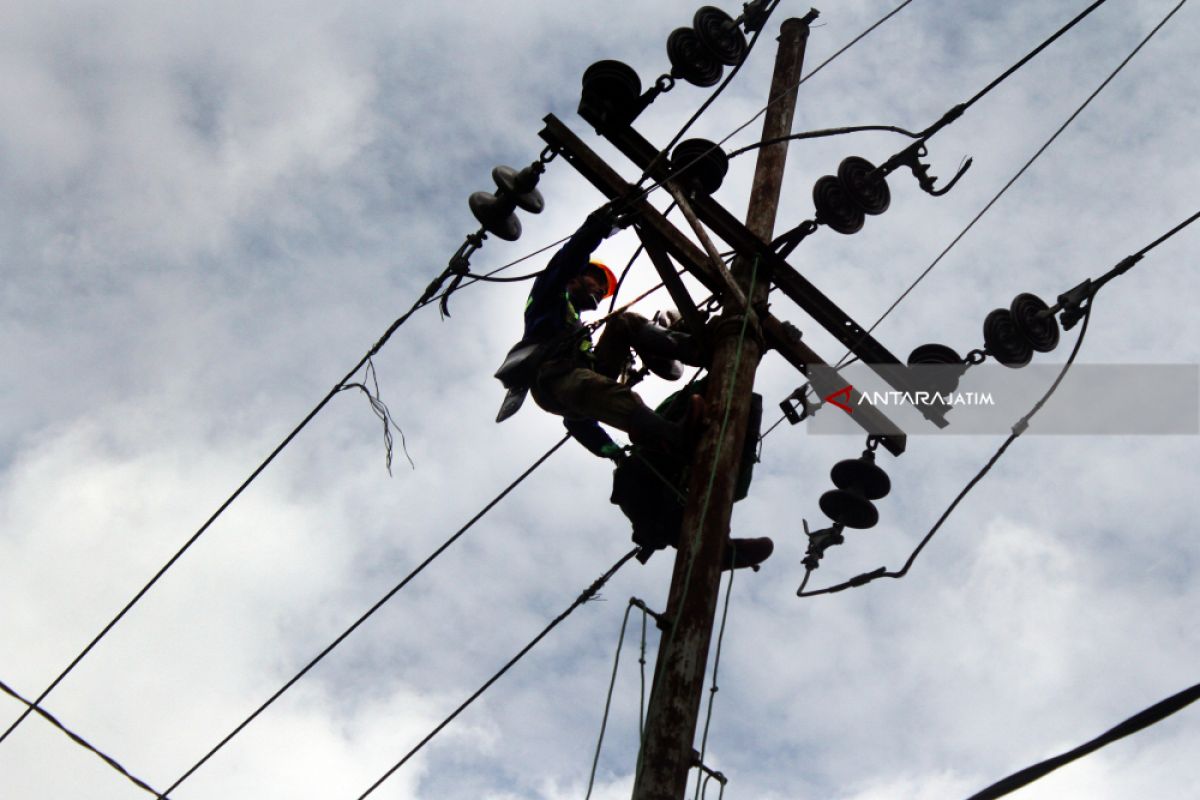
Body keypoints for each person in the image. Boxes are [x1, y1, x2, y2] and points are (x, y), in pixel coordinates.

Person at [516, 208, 707, 458]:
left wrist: (612, 452)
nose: (600, 290)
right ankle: (672, 438)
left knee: (622, 322)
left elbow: (577, 421)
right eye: (597, 282)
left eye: (603, 289)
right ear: (576, 277)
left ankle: (698, 349)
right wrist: (598, 225)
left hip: (578, 377)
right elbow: (566, 261)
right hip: (552, 378)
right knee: (594, 388)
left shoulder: (577, 331)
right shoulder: (548, 299)